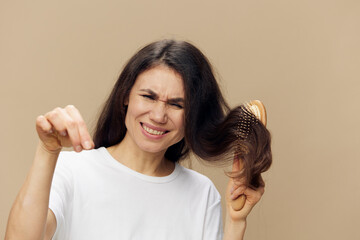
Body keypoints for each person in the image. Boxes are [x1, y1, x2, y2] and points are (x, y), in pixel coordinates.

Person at [5, 39, 272, 240]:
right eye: (149, 96)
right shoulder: (71, 170)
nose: (158, 115)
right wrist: (46, 150)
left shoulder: (201, 195)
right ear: (126, 97)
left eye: (177, 105)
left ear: (193, 116)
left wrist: (236, 223)